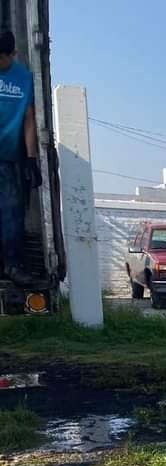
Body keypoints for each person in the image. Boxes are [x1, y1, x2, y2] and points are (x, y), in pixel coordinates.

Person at [0, 30, 40, 287]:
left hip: (7, 158)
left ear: (12, 54)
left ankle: (12, 266)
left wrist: (31, 158)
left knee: (11, 212)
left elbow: (29, 119)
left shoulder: (24, 78)